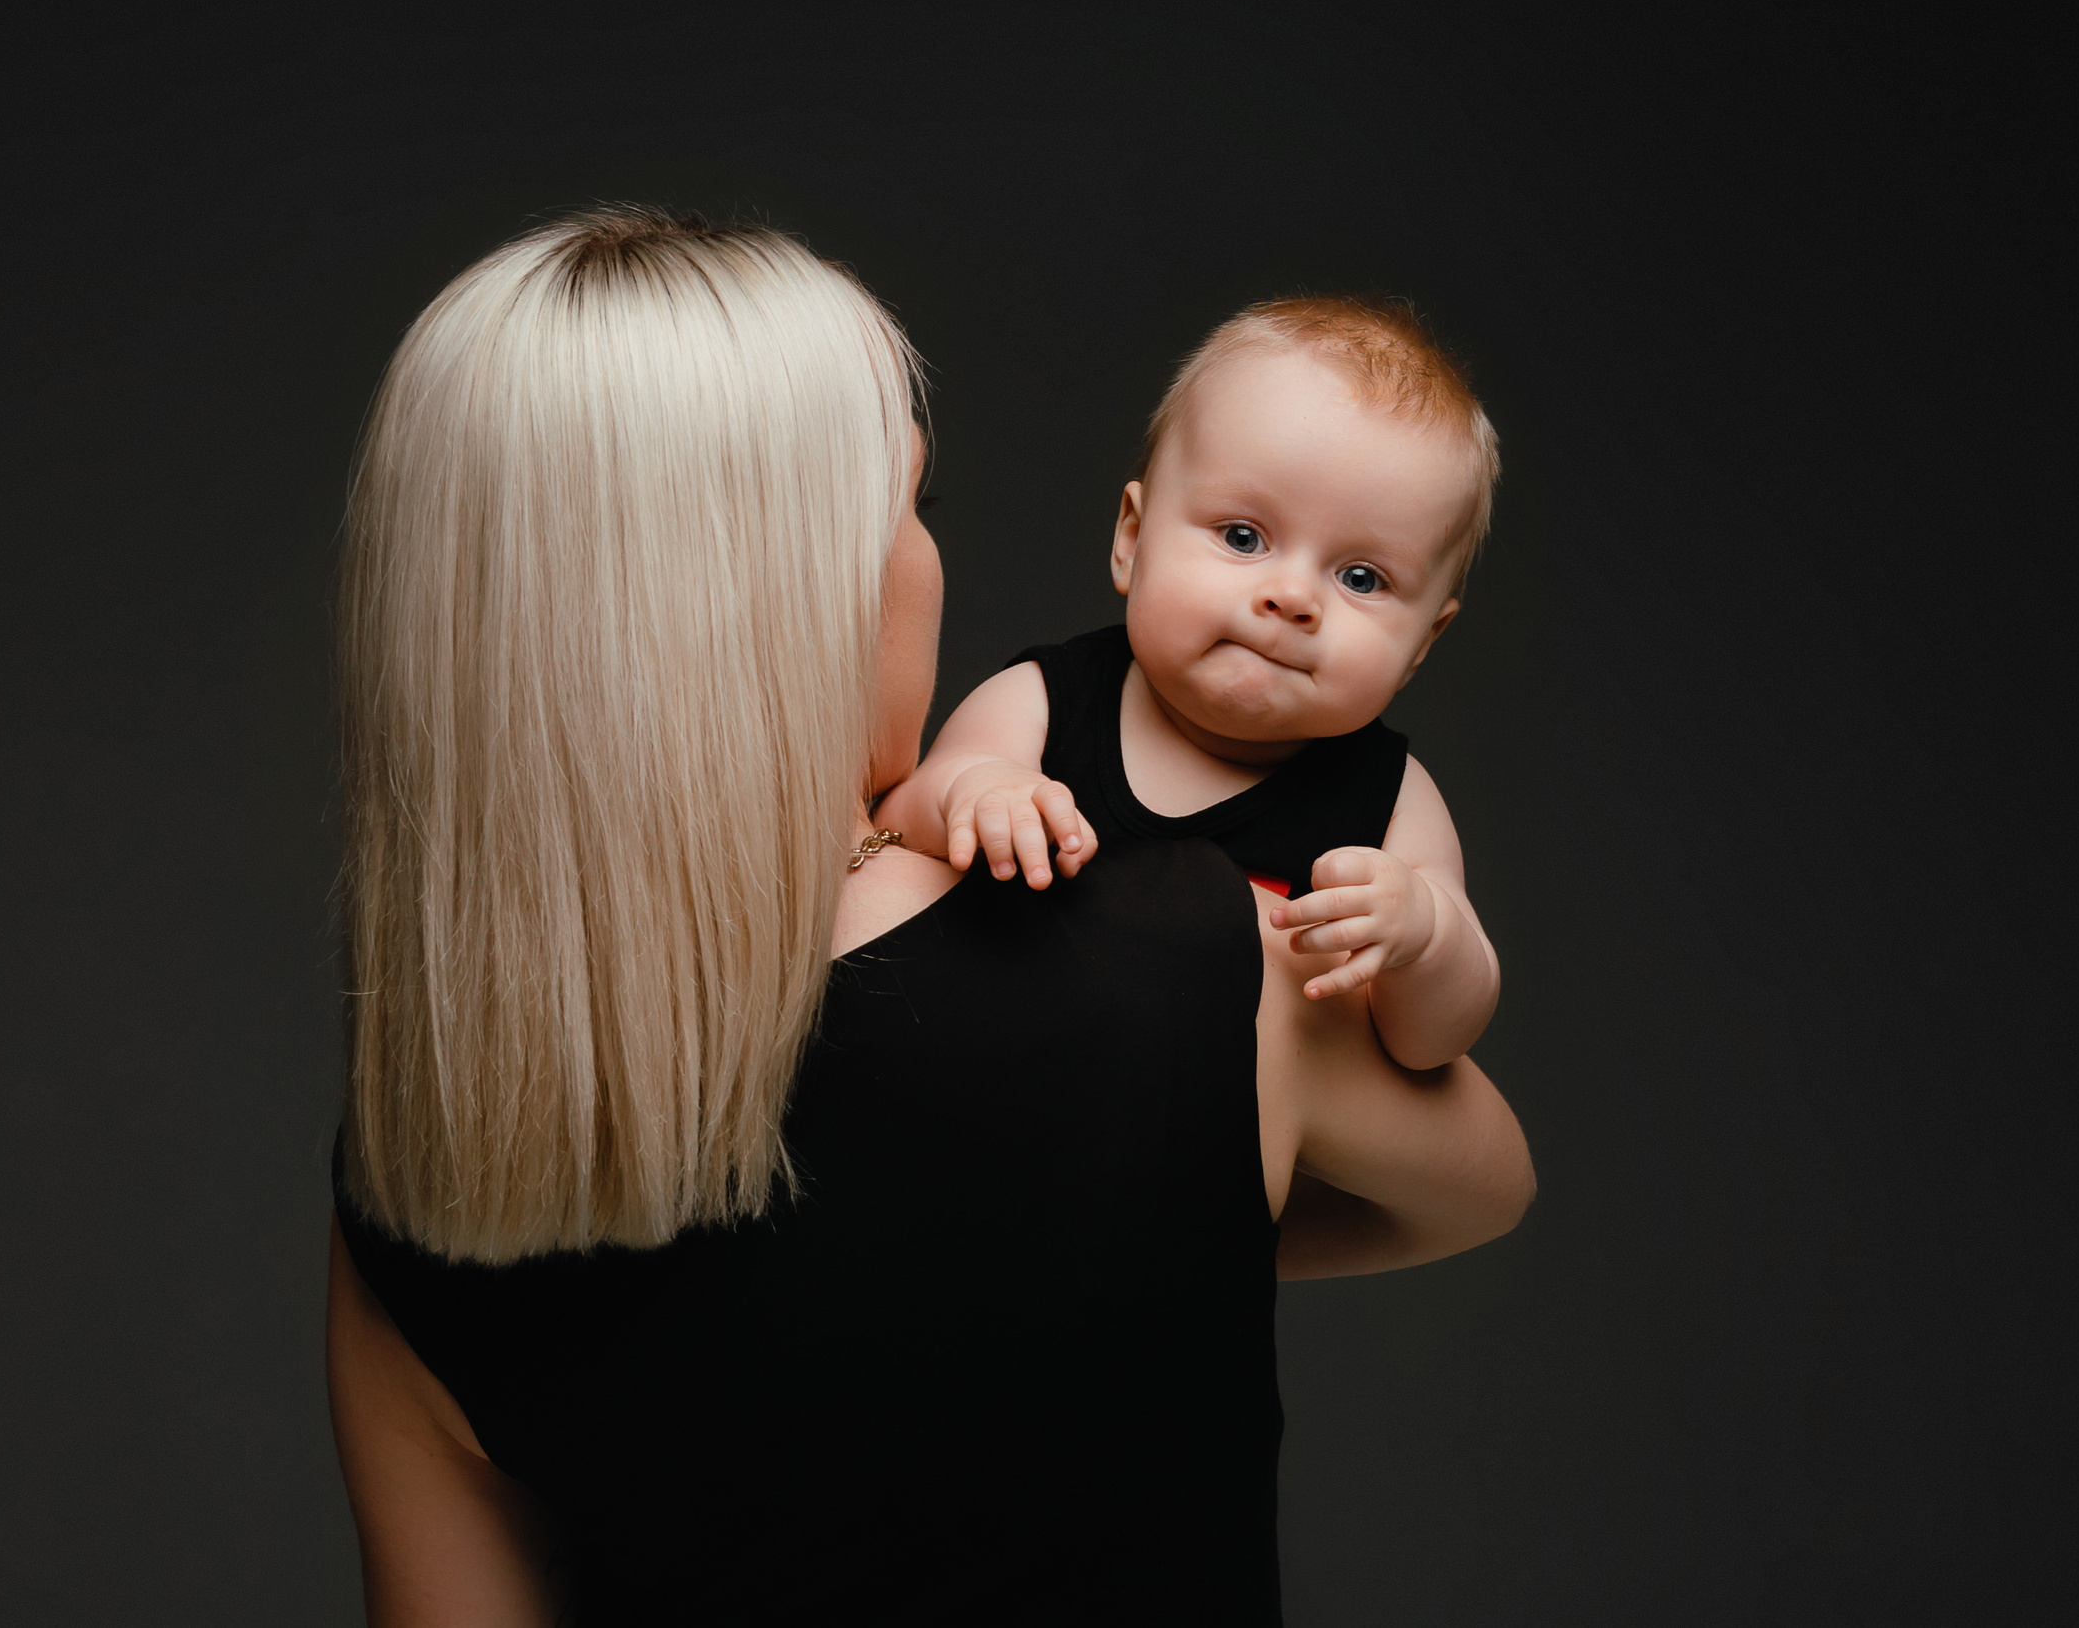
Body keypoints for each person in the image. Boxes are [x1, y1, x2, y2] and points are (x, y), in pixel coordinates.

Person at [325, 210, 1535, 1625]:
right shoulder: (1195, 970)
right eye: (914, 504)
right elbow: (1486, 1182)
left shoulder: (418, 1158)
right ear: (792, 586)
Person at [876, 298, 1503, 1072]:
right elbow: (895, 829)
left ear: (1422, 644)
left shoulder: (1390, 800)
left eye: (1361, 577)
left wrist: (1426, 936)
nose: (1293, 597)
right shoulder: (1046, 702)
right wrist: (975, 790)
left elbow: (1432, 1045)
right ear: (1133, 540)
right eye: (1244, 537)